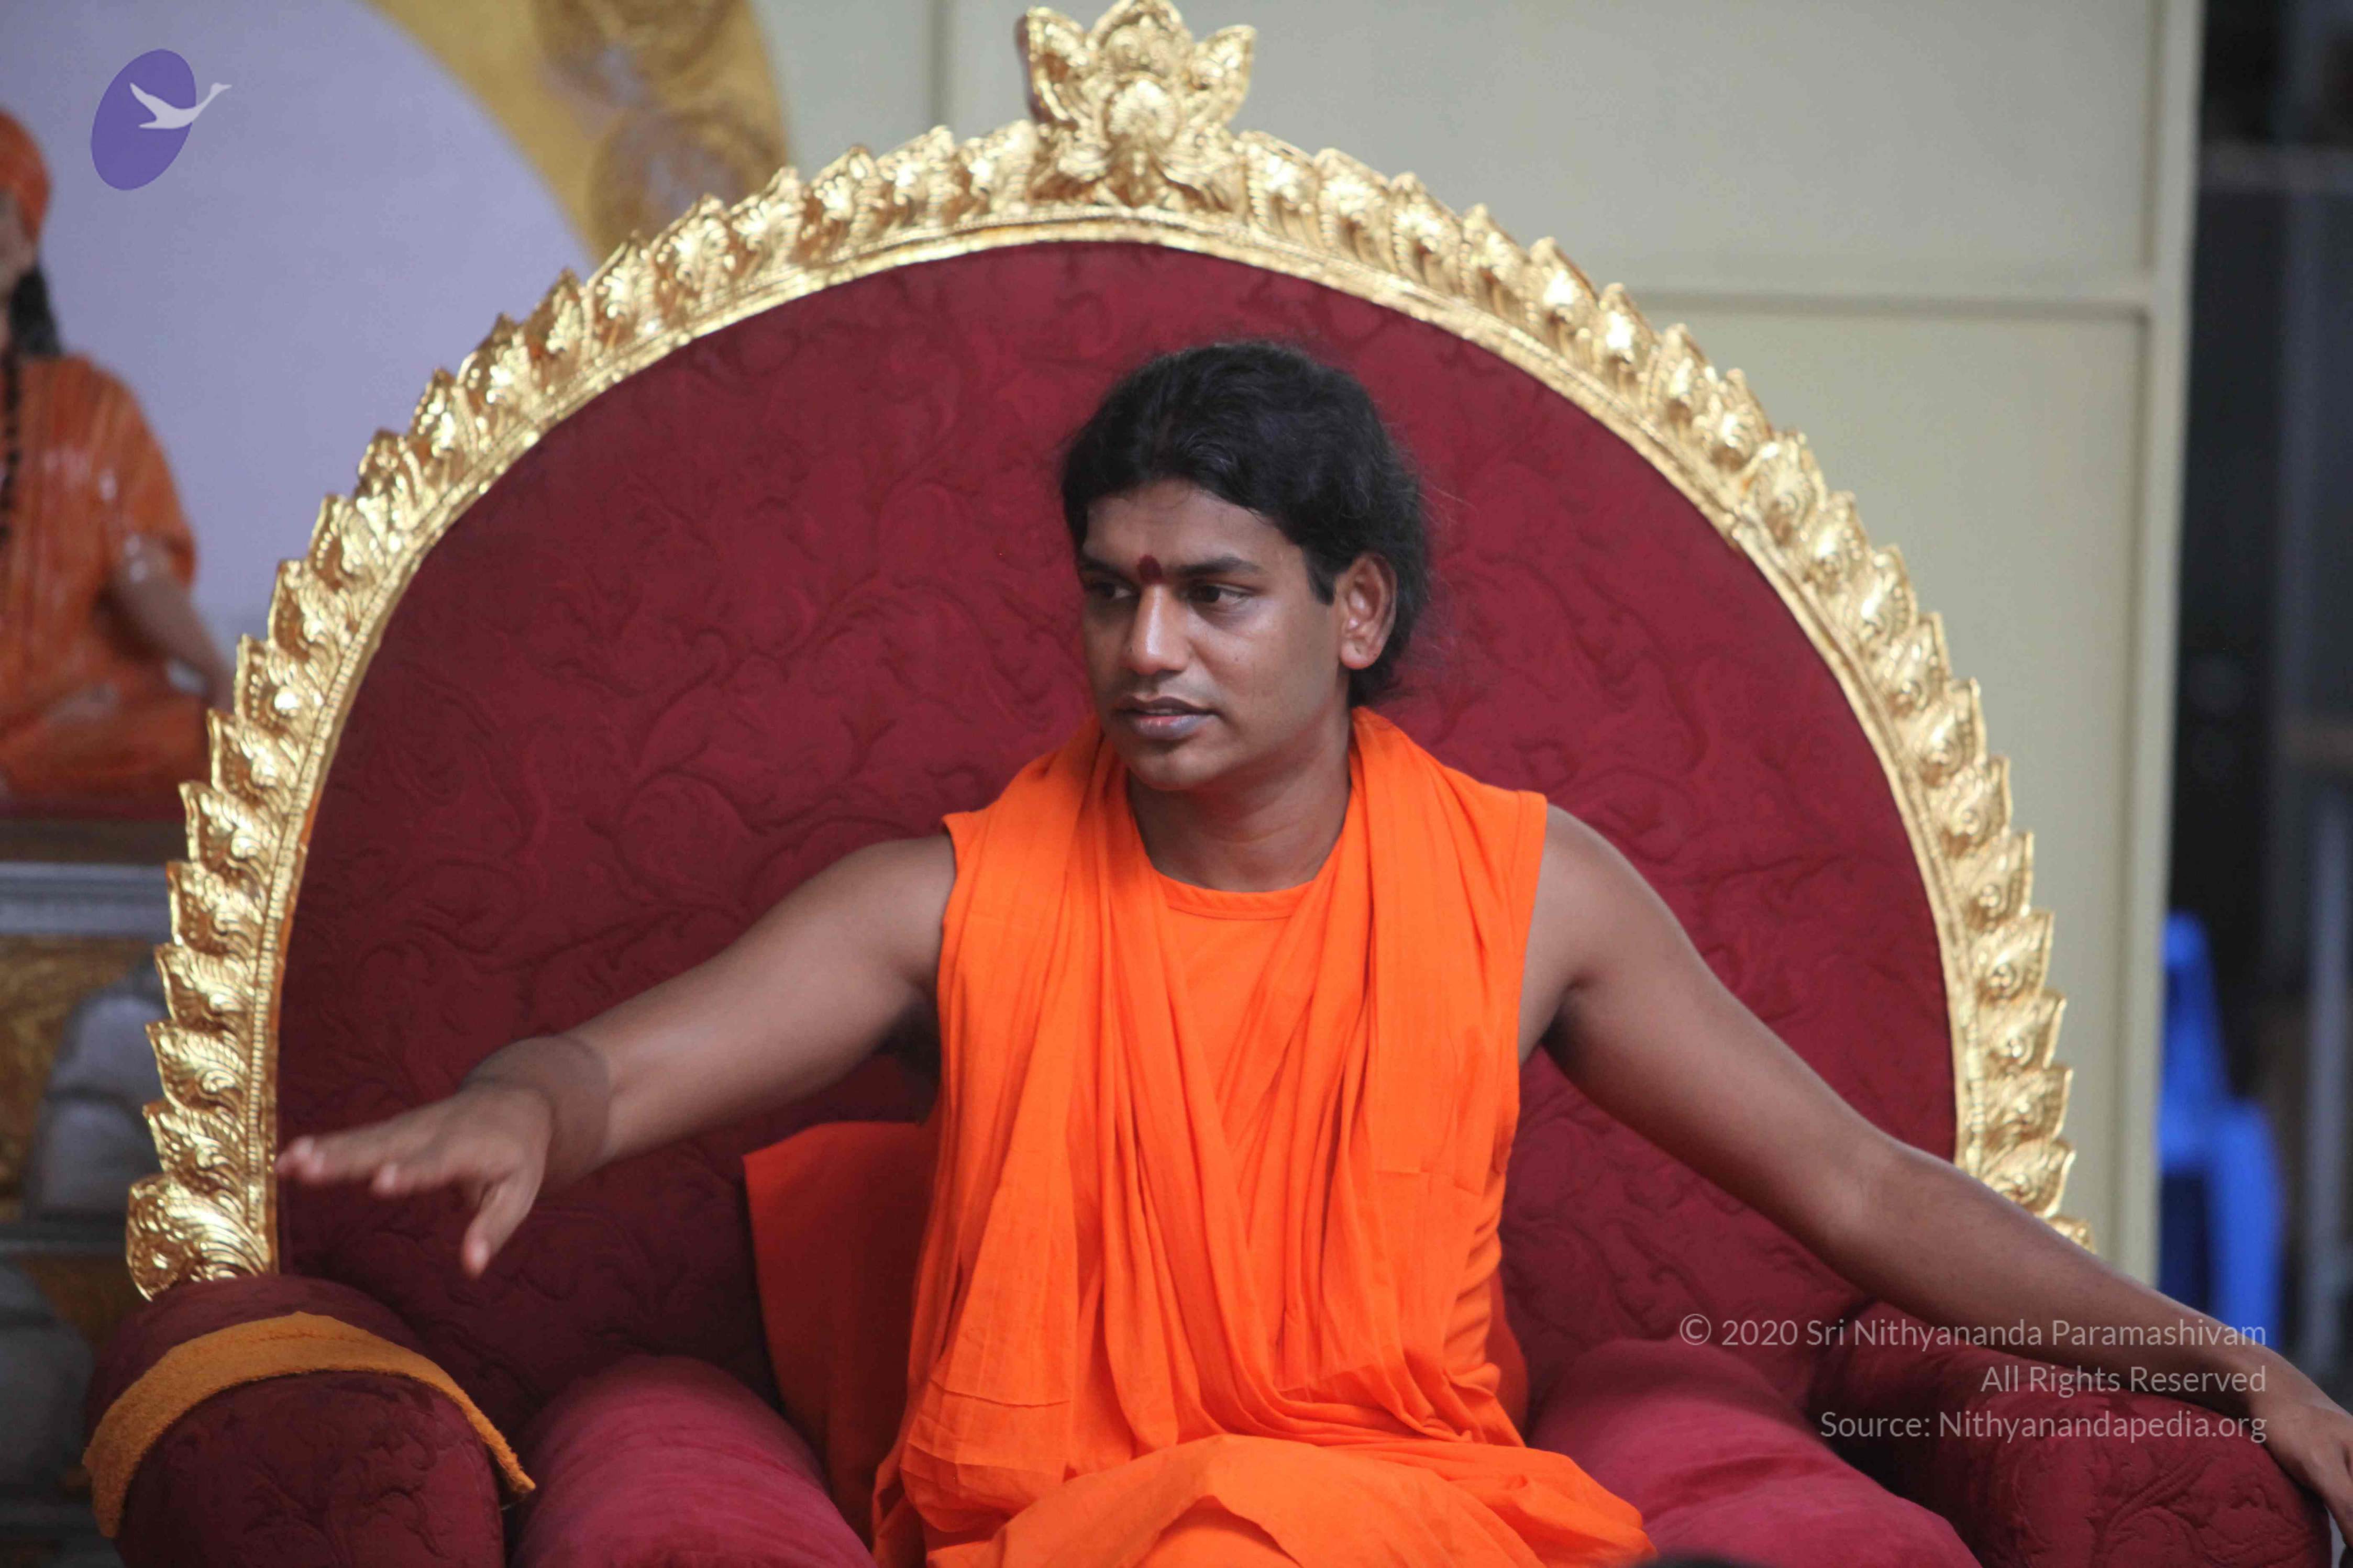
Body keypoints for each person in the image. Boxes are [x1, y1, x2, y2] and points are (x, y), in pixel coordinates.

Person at [278, 342, 2353, 1565]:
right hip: (1081, 1531)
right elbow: (618, 1067)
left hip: (1416, 1520)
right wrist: (516, 1108)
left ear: (1354, 611)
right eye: (1109, 591)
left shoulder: (1531, 890)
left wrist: (2227, 1359)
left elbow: (1860, 1184)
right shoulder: (949, 897)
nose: (1145, 648)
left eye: (1212, 591)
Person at [0, 108, 230, 815]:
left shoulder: (92, 407)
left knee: (205, 740)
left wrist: (219, 672)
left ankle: (19, 766)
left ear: (24, 248)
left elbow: (142, 573)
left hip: (62, 718)